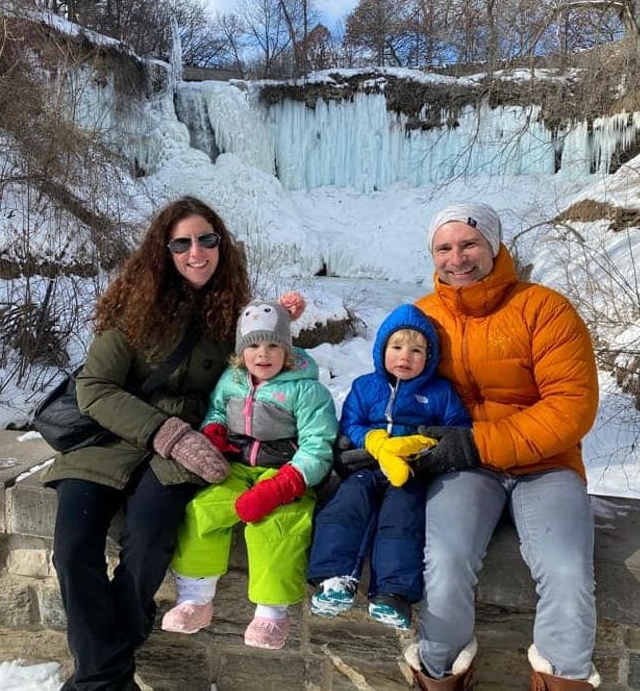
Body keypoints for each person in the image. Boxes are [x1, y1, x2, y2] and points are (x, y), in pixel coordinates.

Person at [42, 195, 251, 691]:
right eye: (182, 243)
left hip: (180, 458)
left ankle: (98, 675)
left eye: (206, 240)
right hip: (106, 444)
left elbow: (266, 372)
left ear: (221, 245)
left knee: (149, 543)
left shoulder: (235, 315)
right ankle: (108, 675)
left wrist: (282, 327)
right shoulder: (134, 308)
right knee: (73, 552)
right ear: (164, 251)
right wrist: (164, 432)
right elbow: (94, 388)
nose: (195, 252)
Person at [404, 202, 601, 691]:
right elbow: (396, 391)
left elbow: (572, 405)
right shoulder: (421, 318)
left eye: (469, 244)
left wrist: (476, 443)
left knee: (567, 568)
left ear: (493, 246)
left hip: (545, 464)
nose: (458, 258)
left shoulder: (545, 309)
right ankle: (439, 673)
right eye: (444, 248)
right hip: (467, 468)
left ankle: (562, 679)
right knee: (445, 560)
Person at [159, 294, 338, 650]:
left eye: (274, 345)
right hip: (237, 467)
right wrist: (214, 432)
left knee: (277, 524)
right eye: (253, 345)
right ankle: (195, 598)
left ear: (287, 351)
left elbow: (319, 446)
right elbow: (215, 412)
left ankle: (271, 613)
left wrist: (284, 485)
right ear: (241, 351)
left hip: (285, 471)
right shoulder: (232, 381)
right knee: (203, 509)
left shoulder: (306, 389)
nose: (263, 354)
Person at [306, 303, 470, 630]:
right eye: (396, 347)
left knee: (401, 521)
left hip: (412, 473)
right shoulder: (366, 387)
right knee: (343, 508)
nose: (404, 357)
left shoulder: (439, 392)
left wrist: (424, 445)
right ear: (382, 350)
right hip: (367, 465)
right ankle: (333, 578)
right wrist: (374, 441)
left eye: (416, 350)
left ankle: (393, 593)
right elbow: (350, 422)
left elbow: (458, 428)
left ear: (430, 356)